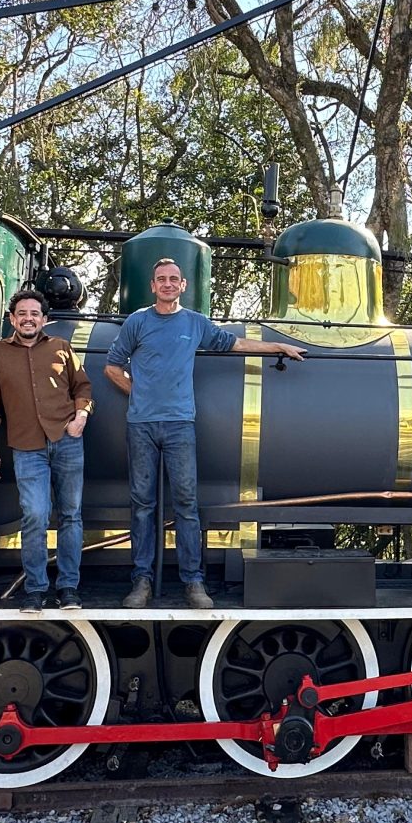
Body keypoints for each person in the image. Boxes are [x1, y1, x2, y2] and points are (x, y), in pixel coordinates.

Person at [104, 258, 306, 610]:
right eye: (161, 279)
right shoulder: (137, 321)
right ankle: (141, 581)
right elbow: (111, 366)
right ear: (153, 286)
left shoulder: (195, 323)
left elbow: (235, 344)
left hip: (181, 424)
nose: (167, 284)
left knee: (186, 505)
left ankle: (193, 582)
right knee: (142, 505)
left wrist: (277, 347)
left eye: (173, 280)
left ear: (183, 286)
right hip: (141, 426)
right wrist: (138, 393)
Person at [0, 289, 93, 612]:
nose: (29, 318)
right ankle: (35, 590)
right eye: (22, 314)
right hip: (27, 447)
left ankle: (69, 588)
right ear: (13, 319)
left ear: (44, 319)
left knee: (71, 515)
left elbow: (83, 386)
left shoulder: (61, 347)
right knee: (35, 515)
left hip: (67, 440)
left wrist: (80, 418)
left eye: (35, 314)